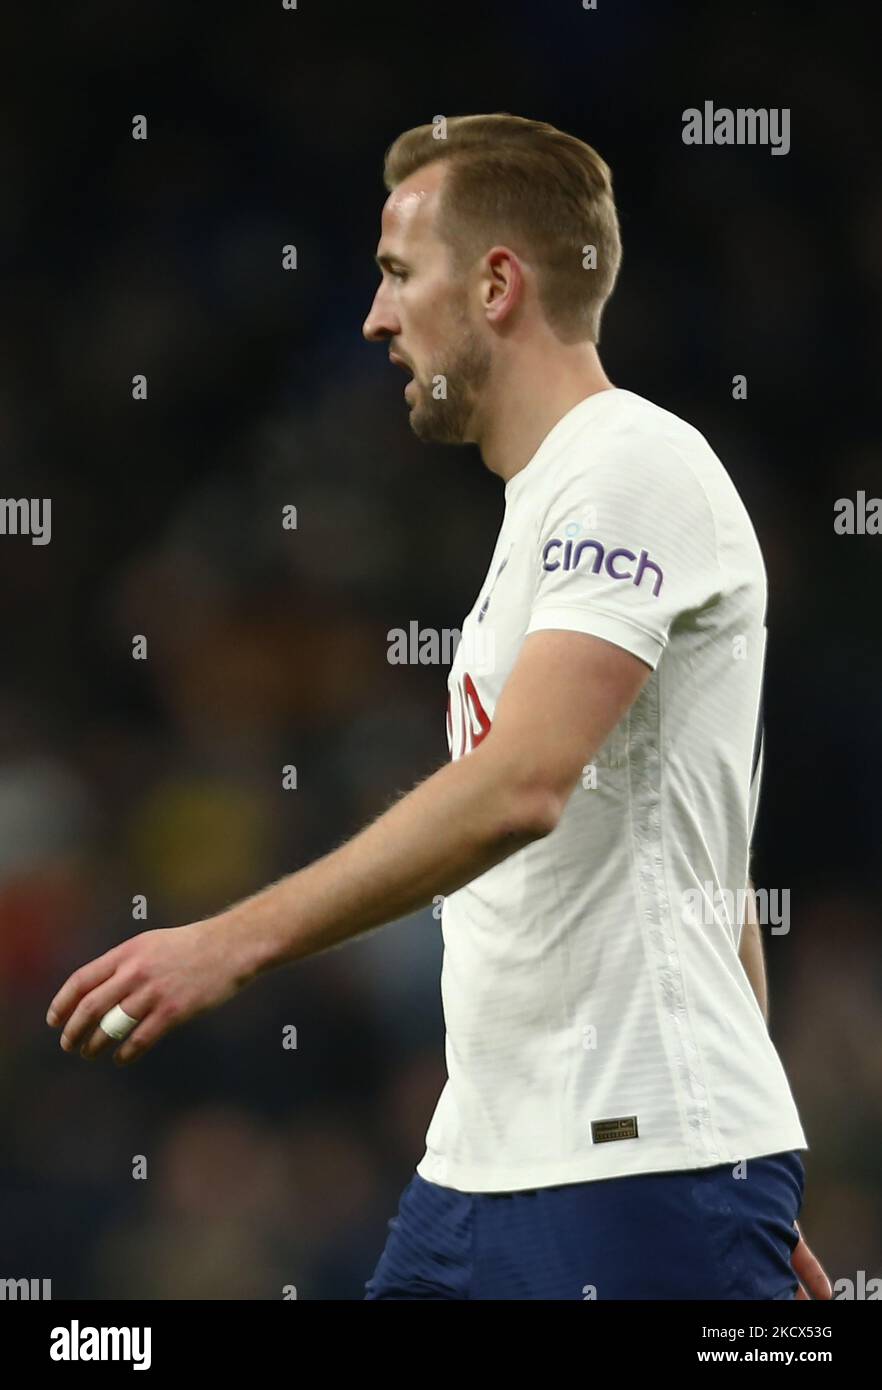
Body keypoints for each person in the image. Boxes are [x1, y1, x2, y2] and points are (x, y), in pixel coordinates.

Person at [47, 114, 832, 1301]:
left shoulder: (633, 466)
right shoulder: (545, 514)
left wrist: (227, 941)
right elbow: (709, 875)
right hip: (495, 1169)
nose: (375, 316)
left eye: (399, 273)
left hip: (621, 1171)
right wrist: (728, 1139)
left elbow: (521, 785)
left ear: (499, 284)